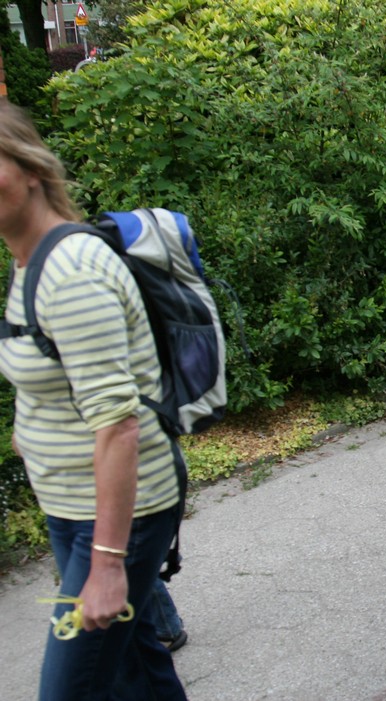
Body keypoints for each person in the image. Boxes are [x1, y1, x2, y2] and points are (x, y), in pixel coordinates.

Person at [0, 103, 186, 698]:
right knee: (137, 672)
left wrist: (108, 564)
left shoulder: (72, 271)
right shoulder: (27, 260)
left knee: (69, 691)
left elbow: (118, 424)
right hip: (71, 503)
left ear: (31, 168)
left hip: (115, 519)